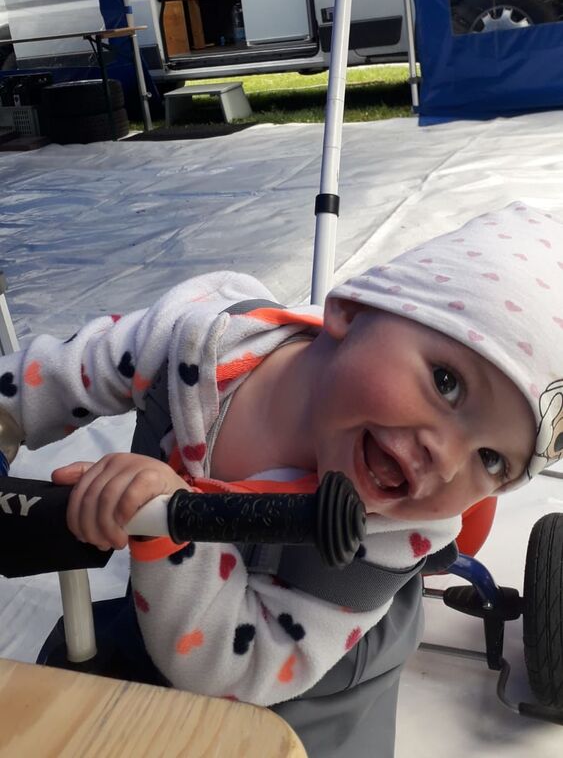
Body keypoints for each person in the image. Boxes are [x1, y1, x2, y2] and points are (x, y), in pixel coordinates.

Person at [0, 200, 562, 756]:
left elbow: (239, 667)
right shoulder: (198, 339)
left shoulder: (393, 534)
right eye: (446, 382)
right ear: (351, 311)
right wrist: (9, 416)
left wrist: (168, 527)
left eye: (493, 460)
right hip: (176, 607)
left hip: (295, 662)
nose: (447, 459)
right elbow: (79, 368)